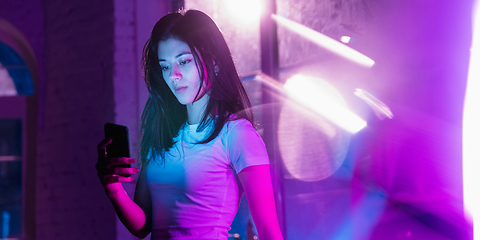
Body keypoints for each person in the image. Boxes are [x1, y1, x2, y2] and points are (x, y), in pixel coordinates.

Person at [96, 10, 283, 240]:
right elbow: (144, 225)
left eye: (183, 61)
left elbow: (269, 233)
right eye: (165, 66)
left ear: (213, 62)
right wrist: (114, 189)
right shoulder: (162, 134)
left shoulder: (237, 134)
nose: (173, 75)